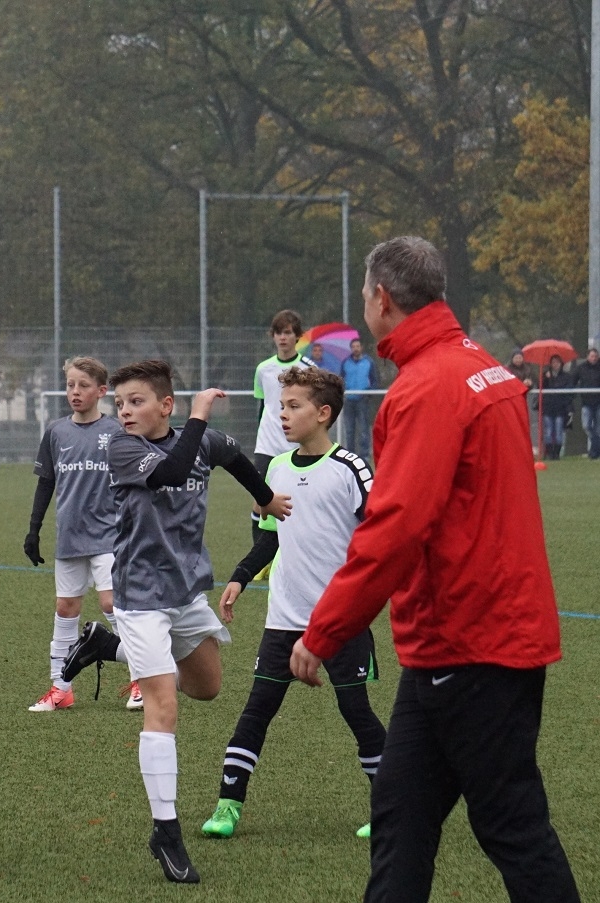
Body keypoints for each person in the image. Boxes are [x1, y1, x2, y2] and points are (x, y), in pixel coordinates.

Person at [290, 236, 580, 903]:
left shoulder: (425, 388)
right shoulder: (481, 367)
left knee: (511, 824)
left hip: (473, 640)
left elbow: (396, 526)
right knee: (401, 817)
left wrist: (324, 629)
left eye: (364, 296)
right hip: (465, 640)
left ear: (382, 298)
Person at [60, 360, 292, 884]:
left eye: (136, 401)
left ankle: (104, 645)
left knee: (207, 687)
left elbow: (232, 455)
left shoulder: (198, 440)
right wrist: (199, 416)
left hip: (187, 591)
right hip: (140, 597)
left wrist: (265, 499)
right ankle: (166, 832)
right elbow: (171, 471)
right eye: (120, 403)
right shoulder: (122, 449)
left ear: (165, 405)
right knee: (162, 707)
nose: (124, 411)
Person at [202, 366, 385, 841]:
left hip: (339, 619)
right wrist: (241, 577)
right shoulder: (277, 468)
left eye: (293, 406)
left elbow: (381, 534)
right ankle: (227, 806)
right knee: (257, 709)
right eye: (280, 406)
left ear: (323, 413)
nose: (282, 414)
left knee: (356, 710)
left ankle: (393, 808)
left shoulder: (350, 468)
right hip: (284, 618)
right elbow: (270, 539)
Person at [23, 357, 140, 711]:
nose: (75, 392)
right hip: (70, 537)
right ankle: (61, 688)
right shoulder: (56, 432)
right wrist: (33, 530)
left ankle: (141, 680)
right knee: (66, 608)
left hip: (110, 535)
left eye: (83, 386)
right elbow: (46, 483)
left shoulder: (117, 431)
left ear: (101, 391)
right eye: (70, 385)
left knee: (111, 605)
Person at [250, 311, 315, 543]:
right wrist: (261, 435)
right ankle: (259, 555)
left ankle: (293, 546)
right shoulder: (263, 369)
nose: (282, 337)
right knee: (260, 498)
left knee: (297, 499)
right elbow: (263, 407)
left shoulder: (308, 369)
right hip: (267, 445)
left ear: (297, 336)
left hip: (295, 445)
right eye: (278, 332)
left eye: (287, 332)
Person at [340, 337, 379, 460]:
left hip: (363, 401)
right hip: (349, 400)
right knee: (349, 430)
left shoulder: (369, 362)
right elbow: (340, 379)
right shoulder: (345, 362)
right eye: (353, 347)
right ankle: (350, 456)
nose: (355, 349)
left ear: (361, 347)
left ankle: (364, 456)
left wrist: (368, 394)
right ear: (351, 348)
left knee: (363, 429)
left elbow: (375, 380)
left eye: (357, 346)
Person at [540, 354, 574, 460]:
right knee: (549, 431)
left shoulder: (567, 376)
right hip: (548, 408)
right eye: (553, 362)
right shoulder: (545, 375)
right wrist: (546, 379)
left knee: (559, 431)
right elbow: (540, 387)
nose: (555, 365)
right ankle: (550, 454)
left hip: (560, 409)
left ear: (561, 364)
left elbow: (569, 391)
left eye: (557, 362)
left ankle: (557, 454)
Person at [573, 346, 600, 459]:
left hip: (599, 403)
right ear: (587, 357)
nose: (594, 358)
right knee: (586, 426)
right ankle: (596, 447)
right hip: (586, 403)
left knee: (598, 429)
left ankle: (594, 453)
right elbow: (572, 381)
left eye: (596, 356)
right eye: (592, 356)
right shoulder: (581, 368)